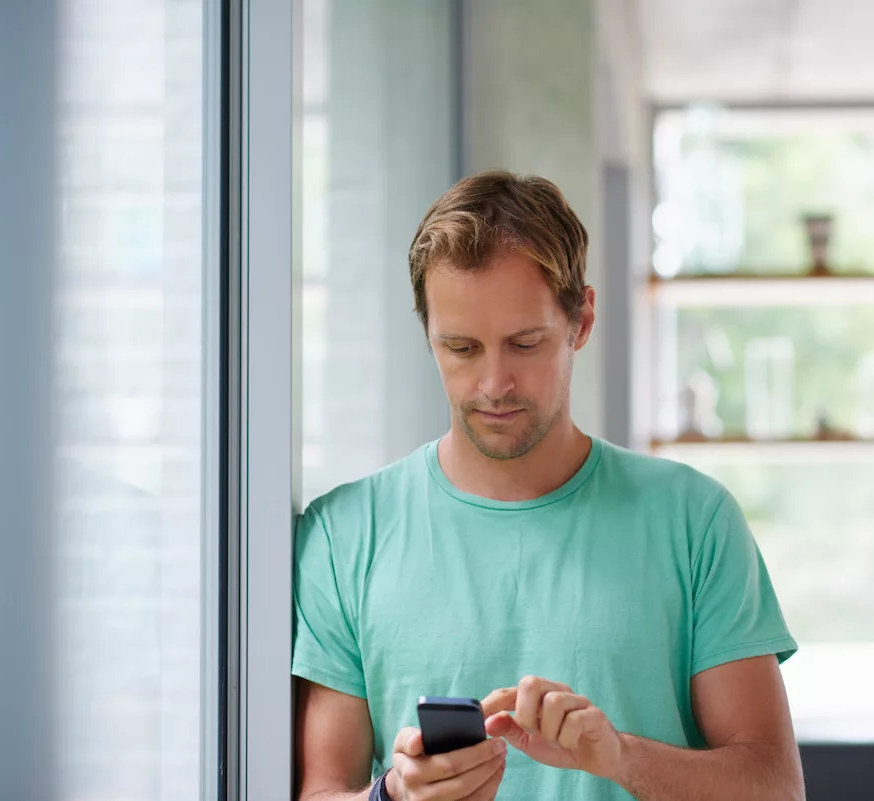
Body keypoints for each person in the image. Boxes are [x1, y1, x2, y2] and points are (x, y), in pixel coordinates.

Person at [292, 170, 803, 801]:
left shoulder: (694, 520)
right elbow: (320, 790)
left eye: (525, 343)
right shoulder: (343, 536)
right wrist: (393, 797)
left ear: (581, 321)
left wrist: (619, 757)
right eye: (461, 348)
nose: (494, 383)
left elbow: (775, 789)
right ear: (428, 337)